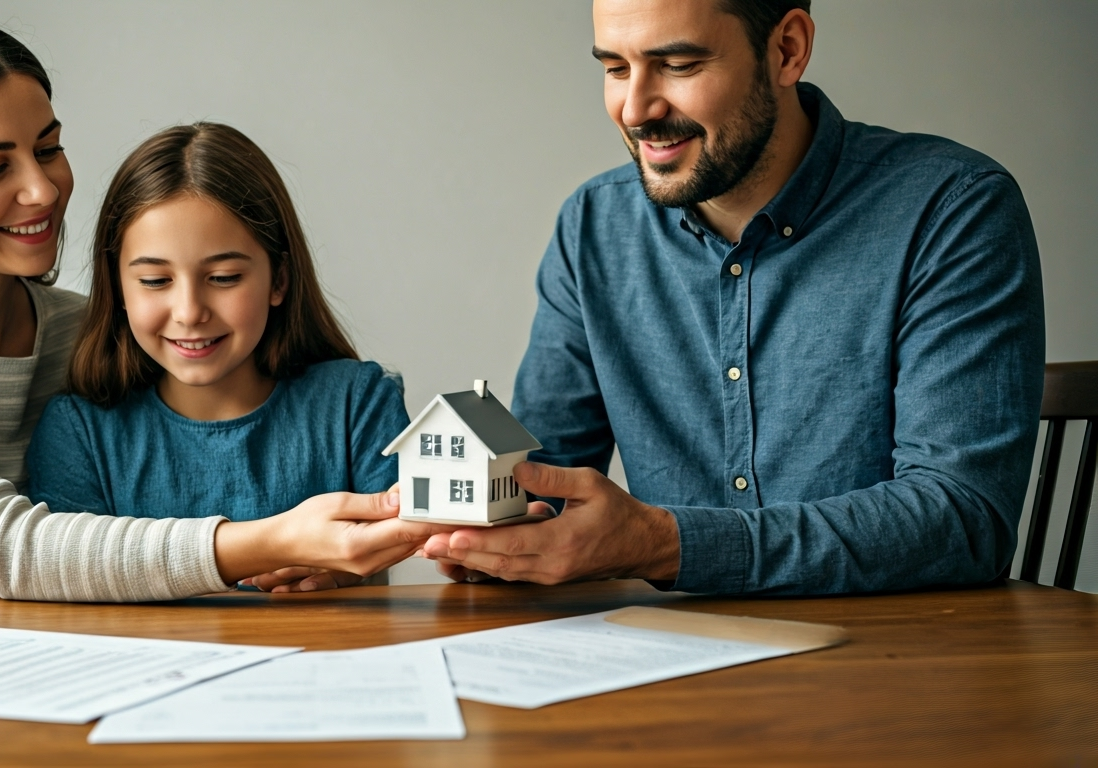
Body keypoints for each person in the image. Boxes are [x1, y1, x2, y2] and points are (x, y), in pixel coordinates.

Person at [0, 16, 436, 602]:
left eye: (48, 148)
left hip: (25, 661)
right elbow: (9, 549)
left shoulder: (79, 333)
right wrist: (271, 542)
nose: (42, 188)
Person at [422, 0, 1045, 594]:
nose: (634, 109)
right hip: (667, 661)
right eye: (615, 68)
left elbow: (963, 519)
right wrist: (481, 536)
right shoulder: (593, 227)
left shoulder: (952, 208)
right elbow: (541, 485)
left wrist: (666, 544)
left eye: (679, 65)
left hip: (897, 666)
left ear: (787, 50)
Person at [26, 122, 410, 593]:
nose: (189, 312)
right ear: (119, 289)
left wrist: (344, 574)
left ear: (279, 281)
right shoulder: (80, 432)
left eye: (224, 277)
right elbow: (65, 574)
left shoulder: (357, 403)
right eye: (154, 281)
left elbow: (407, 539)